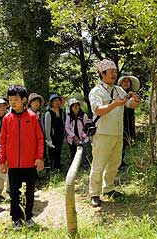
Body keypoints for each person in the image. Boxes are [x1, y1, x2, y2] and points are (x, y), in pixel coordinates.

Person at [88, 59, 140, 207]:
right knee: (98, 165)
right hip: (102, 133)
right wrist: (115, 104)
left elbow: (131, 105)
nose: (114, 75)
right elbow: (98, 110)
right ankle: (94, 194)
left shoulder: (119, 90)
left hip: (117, 132)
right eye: (111, 72)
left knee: (115, 163)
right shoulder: (96, 91)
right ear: (102, 74)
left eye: (115, 72)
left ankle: (108, 188)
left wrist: (136, 100)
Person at [0, 85, 44, 230]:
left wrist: (39, 157)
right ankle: (16, 218)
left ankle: (29, 216)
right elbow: (3, 141)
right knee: (13, 193)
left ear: (24, 100)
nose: (12, 102)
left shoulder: (32, 117)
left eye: (16, 99)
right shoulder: (7, 118)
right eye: (10, 99)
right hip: (13, 164)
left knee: (30, 192)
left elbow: (40, 138)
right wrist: (2, 161)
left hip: (30, 163)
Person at [117, 75, 140, 168]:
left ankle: (121, 161)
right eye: (124, 81)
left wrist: (135, 98)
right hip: (119, 120)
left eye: (128, 82)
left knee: (125, 141)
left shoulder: (132, 93)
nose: (126, 83)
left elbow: (134, 105)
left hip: (129, 119)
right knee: (119, 142)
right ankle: (117, 163)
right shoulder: (117, 93)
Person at [65, 98, 90, 169]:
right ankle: (75, 167)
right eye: (73, 106)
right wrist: (74, 136)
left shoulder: (84, 115)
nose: (75, 107)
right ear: (71, 107)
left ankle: (85, 166)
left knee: (84, 153)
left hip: (83, 138)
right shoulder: (69, 116)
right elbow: (67, 127)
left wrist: (83, 136)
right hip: (72, 139)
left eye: (77, 105)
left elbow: (87, 127)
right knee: (73, 152)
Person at [45, 94, 65, 171]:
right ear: (51, 102)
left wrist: (64, 135)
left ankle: (58, 167)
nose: (57, 102)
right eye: (55, 100)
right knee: (52, 153)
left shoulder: (61, 111)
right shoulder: (48, 113)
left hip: (60, 136)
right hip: (52, 137)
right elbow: (47, 128)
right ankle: (52, 169)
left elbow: (63, 123)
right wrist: (49, 139)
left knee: (58, 152)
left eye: (58, 100)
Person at [0, 98, 9, 202]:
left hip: (10, 148)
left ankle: (10, 191)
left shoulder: (10, 116)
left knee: (11, 171)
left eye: (3, 105)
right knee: (0, 172)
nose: (2, 108)